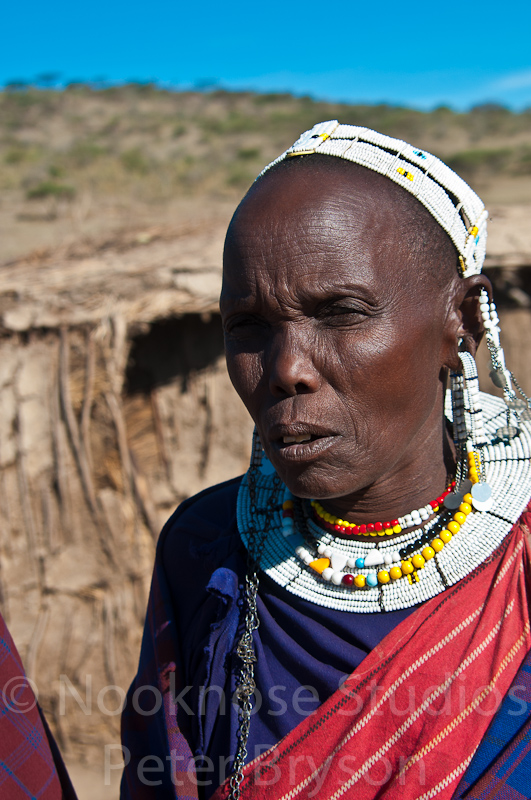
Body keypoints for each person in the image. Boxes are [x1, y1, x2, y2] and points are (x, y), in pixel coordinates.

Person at [120, 122, 531, 800]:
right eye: (248, 326)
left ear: (460, 318)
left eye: (339, 313)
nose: (285, 370)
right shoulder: (204, 548)